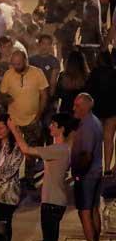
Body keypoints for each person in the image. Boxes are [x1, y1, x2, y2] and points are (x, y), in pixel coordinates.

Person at [9, 114, 76, 241]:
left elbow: (26, 149)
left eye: (54, 125)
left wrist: (14, 130)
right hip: (55, 202)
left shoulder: (57, 150)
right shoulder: (62, 149)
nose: (50, 126)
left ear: (62, 129)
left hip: (52, 203)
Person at [71, 93, 104, 241]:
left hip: (87, 176)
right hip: (96, 173)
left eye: (77, 106)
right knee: (93, 209)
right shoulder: (94, 121)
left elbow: (86, 155)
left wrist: (78, 173)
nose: (74, 108)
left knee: (84, 212)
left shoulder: (88, 126)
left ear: (86, 106)